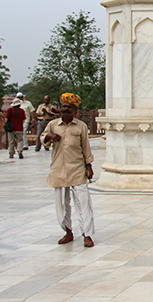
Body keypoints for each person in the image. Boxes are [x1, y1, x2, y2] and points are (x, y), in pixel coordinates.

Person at [41, 93, 95, 247]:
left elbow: (86, 147)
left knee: (83, 202)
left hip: (77, 168)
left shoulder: (81, 126)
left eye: (69, 107)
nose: (65, 109)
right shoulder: (53, 125)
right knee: (62, 203)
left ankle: (87, 234)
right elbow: (43, 138)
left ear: (75, 111)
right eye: (63, 106)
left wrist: (89, 166)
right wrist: (49, 136)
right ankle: (68, 231)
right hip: (58, 168)